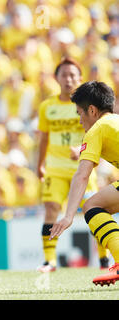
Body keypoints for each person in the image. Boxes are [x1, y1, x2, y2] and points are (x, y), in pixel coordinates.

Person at [36, 58, 106, 273]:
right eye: (64, 75)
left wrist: (81, 150)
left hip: (83, 167)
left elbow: (98, 133)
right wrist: (40, 164)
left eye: (73, 75)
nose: (68, 79)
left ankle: (104, 259)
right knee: (51, 209)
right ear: (56, 78)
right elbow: (44, 138)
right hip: (56, 169)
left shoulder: (89, 106)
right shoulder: (47, 106)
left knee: (94, 209)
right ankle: (50, 261)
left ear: (80, 78)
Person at [50, 81, 119, 286]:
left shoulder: (96, 129)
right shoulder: (113, 123)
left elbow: (82, 175)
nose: (80, 120)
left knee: (91, 205)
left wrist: (69, 216)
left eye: (80, 113)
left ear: (92, 110)